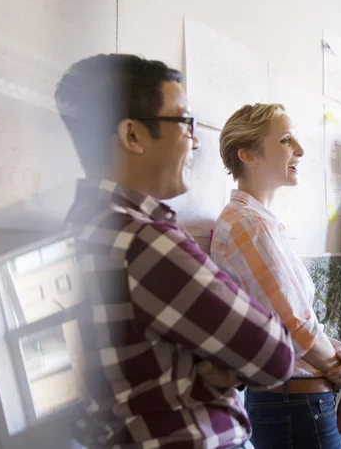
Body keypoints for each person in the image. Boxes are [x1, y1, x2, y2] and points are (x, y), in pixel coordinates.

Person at [56, 54, 295, 449]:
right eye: (185, 123)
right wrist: (217, 366)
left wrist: (209, 366)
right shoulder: (144, 240)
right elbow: (275, 355)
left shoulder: (81, 225)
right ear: (132, 135)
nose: (196, 139)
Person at [210, 103, 341, 449]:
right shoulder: (247, 225)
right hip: (294, 405)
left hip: (297, 402)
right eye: (285, 140)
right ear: (248, 155)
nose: (300, 150)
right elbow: (297, 331)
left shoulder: (259, 222)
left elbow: (300, 324)